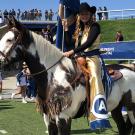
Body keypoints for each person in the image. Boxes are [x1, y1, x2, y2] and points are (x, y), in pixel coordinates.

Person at [63, 2, 111, 130]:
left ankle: (98, 112)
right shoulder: (80, 28)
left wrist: (73, 52)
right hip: (80, 58)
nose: (84, 16)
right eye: (82, 14)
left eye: (86, 14)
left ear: (90, 14)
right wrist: (66, 29)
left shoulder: (95, 26)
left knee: (94, 76)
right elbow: (70, 43)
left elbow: (89, 43)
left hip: (93, 57)